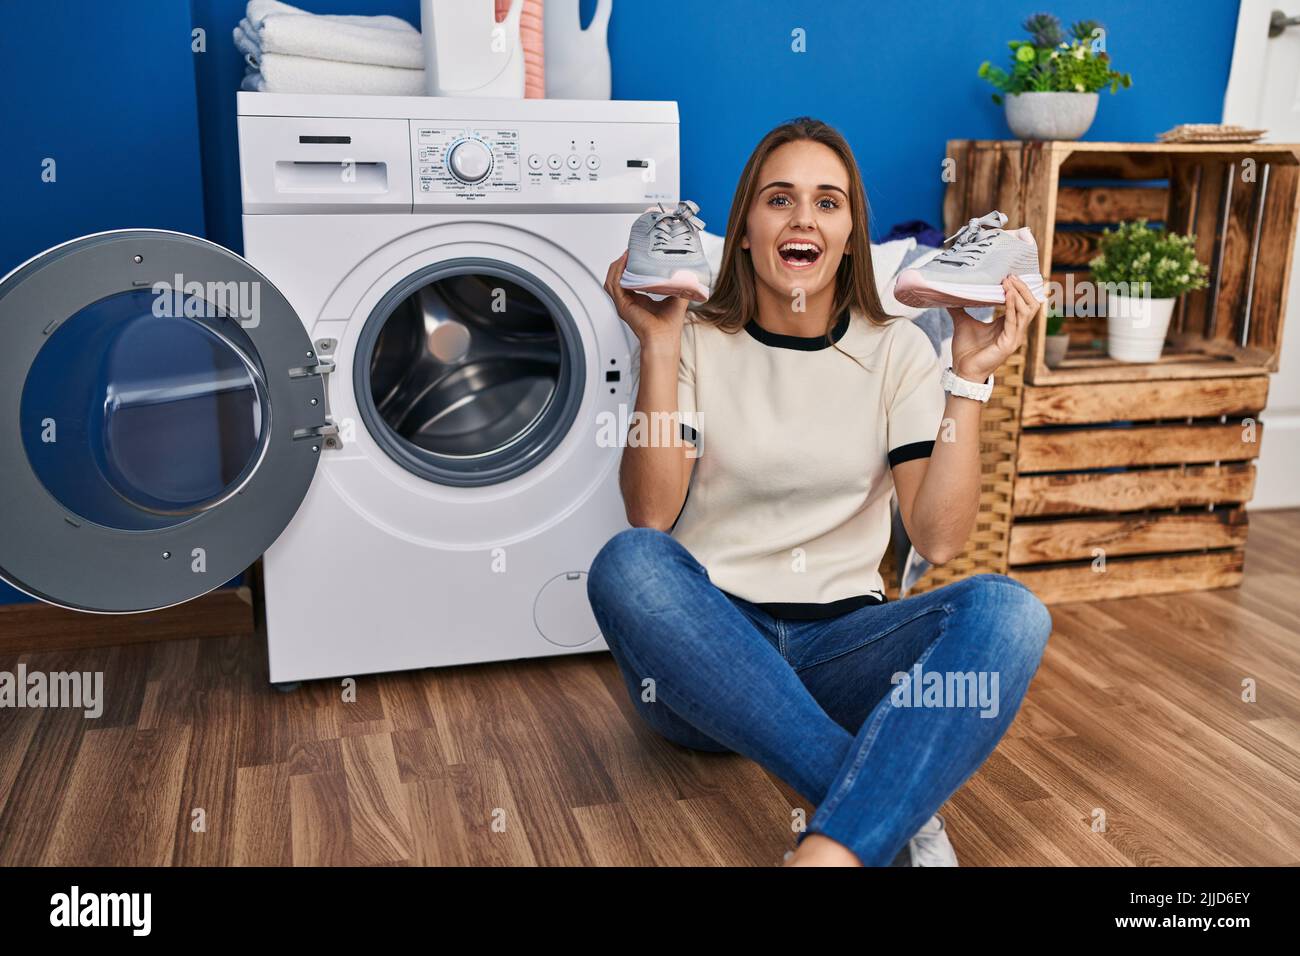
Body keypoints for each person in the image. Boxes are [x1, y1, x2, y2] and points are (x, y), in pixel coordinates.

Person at [587, 116, 1052, 867]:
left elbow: (936, 540)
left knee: (1011, 612)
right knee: (628, 562)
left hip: (844, 656)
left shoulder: (896, 346)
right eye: (780, 199)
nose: (804, 217)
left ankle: (832, 852)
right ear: (742, 231)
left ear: (847, 236)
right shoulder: (698, 336)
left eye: (827, 203)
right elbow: (651, 512)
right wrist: (660, 344)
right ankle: (886, 810)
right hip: (706, 665)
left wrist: (969, 377)